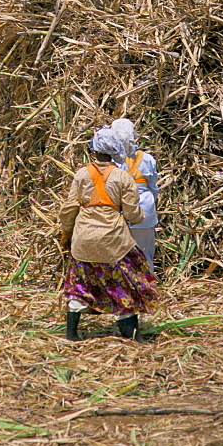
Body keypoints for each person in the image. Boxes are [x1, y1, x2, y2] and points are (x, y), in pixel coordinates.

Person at [59, 126, 157, 343]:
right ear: (115, 150)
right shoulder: (122, 177)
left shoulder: (82, 174)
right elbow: (133, 214)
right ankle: (133, 337)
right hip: (114, 242)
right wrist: (139, 216)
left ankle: (71, 335)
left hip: (83, 240)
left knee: (79, 285)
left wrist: (68, 233)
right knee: (127, 284)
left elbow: (68, 210)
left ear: (94, 150)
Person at [111, 118, 160, 272]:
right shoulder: (148, 159)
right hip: (145, 210)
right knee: (145, 252)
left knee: (121, 254)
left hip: (121, 211)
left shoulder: (112, 160)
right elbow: (154, 188)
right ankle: (148, 288)